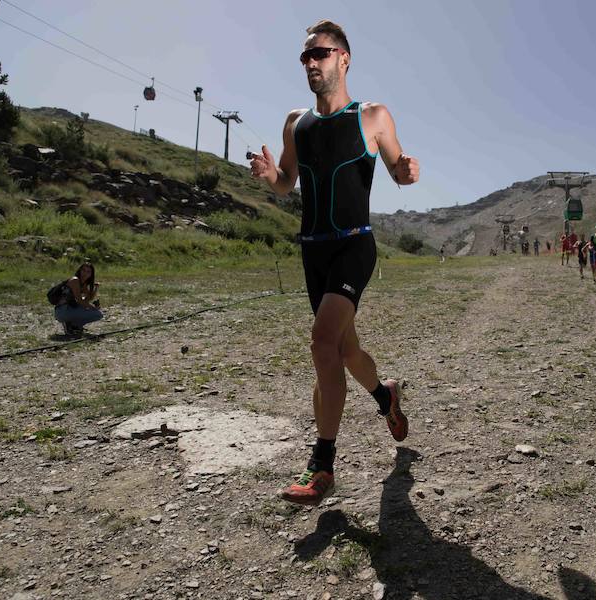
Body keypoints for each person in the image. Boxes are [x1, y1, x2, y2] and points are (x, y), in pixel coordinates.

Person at [249, 20, 420, 506]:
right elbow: (288, 182)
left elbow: (398, 170)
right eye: (305, 56)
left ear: (343, 59)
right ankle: (385, 396)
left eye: (319, 53)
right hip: (313, 249)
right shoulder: (295, 122)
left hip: (353, 244)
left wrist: (407, 171)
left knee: (322, 341)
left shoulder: (373, 116)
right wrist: (270, 176)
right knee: (344, 349)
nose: (311, 62)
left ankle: (322, 464)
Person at [54, 262, 102, 336]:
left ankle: (73, 326)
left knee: (97, 314)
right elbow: (80, 301)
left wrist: (96, 288)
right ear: (80, 270)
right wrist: (93, 308)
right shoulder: (75, 280)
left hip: (69, 309)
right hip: (62, 311)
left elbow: (89, 298)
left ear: (91, 274)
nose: (85, 273)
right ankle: (72, 324)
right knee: (97, 314)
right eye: (83, 270)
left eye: (88, 272)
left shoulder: (83, 284)